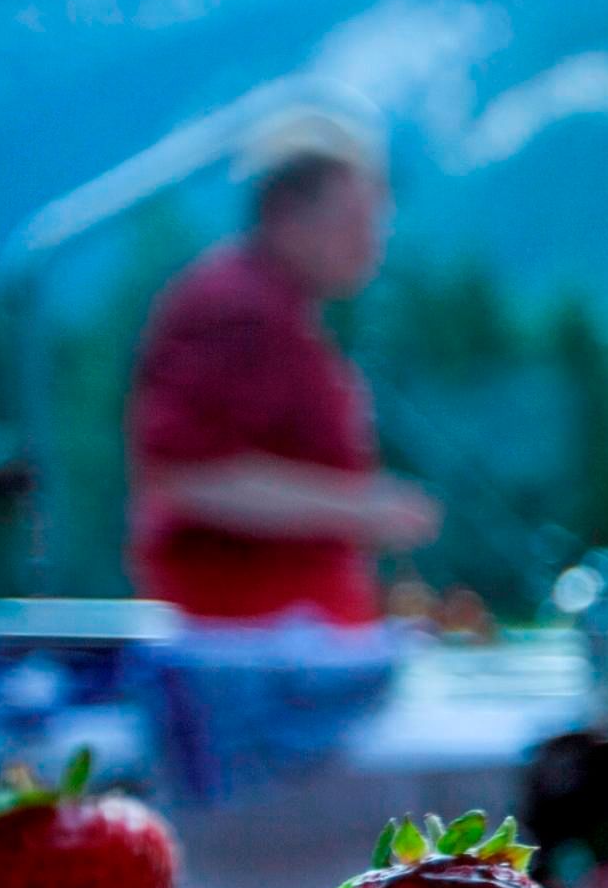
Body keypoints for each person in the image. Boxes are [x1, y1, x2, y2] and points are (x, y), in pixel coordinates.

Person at [126, 110, 439, 622]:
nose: (371, 246)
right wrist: (363, 508)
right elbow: (187, 473)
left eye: (377, 222)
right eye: (353, 222)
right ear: (287, 215)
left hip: (284, 640)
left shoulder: (278, 307)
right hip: (246, 644)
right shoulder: (235, 308)